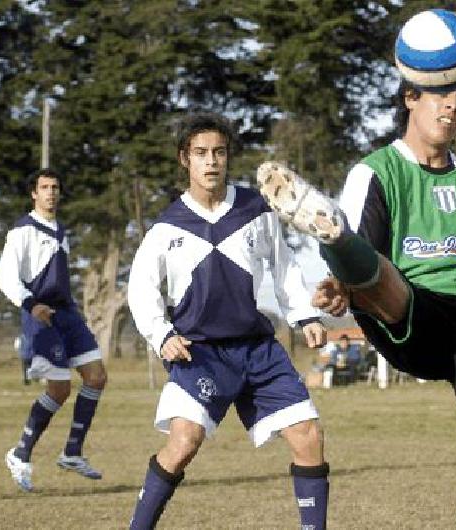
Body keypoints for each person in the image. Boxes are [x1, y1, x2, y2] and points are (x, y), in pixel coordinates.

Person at [257, 9, 456, 529]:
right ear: (410, 95)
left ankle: (342, 250)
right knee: (384, 275)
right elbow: (375, 270)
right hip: (413, 309)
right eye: (440, 92)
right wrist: (342, 285)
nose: (453, 103)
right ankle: (333, 234)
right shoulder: (376, 173)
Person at [126, 112, 331, 530]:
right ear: (185, 159)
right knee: (183, 443)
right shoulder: (167, 226)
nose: (211, 161)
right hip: (199, 352)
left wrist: (303, 315)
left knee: (308, 437)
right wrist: (161, 333)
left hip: (257, 350)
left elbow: (284, 266)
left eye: (219, 152)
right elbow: (141, 288)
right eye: (201, 153)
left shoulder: (257, 209)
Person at [0, 168, 108, 492]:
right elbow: (5, 277)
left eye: (55, 187)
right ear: (34, 193)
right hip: (41, 316)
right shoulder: (22, 231)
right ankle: (20, 454)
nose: (51, 193)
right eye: (44, 187)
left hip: (68, 314)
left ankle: (72, 452)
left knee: (97, 377)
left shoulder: (61, 230)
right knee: (59, 389)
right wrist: (32, 305)